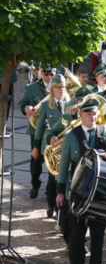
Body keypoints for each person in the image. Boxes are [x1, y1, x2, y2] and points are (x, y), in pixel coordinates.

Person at [55, 96, 106, 264]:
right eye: (88, 114)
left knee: (98, 235)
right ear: (81, 114)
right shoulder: (71, 136)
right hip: (77, 192)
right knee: (76, 236)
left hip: (99, 192)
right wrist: (60, 192)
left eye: (94, 114)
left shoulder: (104, 130)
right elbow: (63, 165)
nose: (92, 117)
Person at [31, 72, 68, 200]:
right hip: (51, 145)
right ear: (52, 88)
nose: (61, 89)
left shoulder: (70, 104)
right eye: (58, 87)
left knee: (62, 175)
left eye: (63, 87)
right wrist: (36, 147)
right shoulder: (46, 105)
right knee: (52, 175)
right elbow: (40, 126)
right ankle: (51, 204)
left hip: (65, 144)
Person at [20, 68, 52, 198]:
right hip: (36, 130)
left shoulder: (59, 87)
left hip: (53, 130)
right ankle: (35, 184)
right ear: (41, 73)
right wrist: (25, 107)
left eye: (52, 74)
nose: (49, 77)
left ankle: (51, 189)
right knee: (36, 160)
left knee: (53, 161)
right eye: (46, 74)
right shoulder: (32, 87)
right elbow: (22, 103)